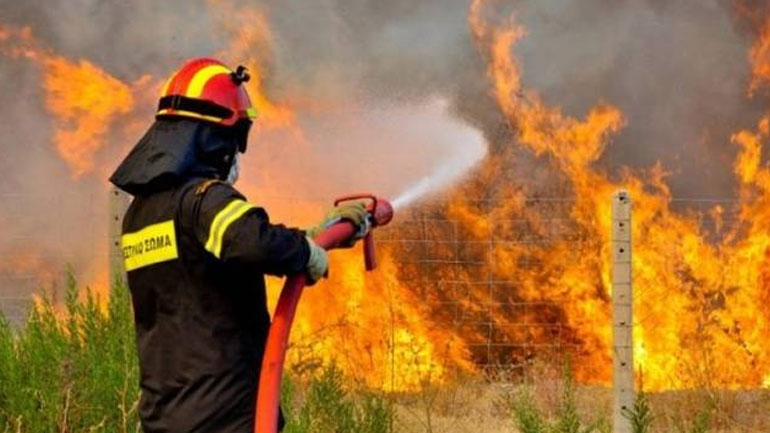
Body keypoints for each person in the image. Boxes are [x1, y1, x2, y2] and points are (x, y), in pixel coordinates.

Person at [109, 57, 367, 433]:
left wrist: (316, 235)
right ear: (215, 140)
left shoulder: (141, 214)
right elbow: (254, 242)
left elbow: (216, 254)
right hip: (225, 414)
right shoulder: (204, 199)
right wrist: (305, 253)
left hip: (167, 416)